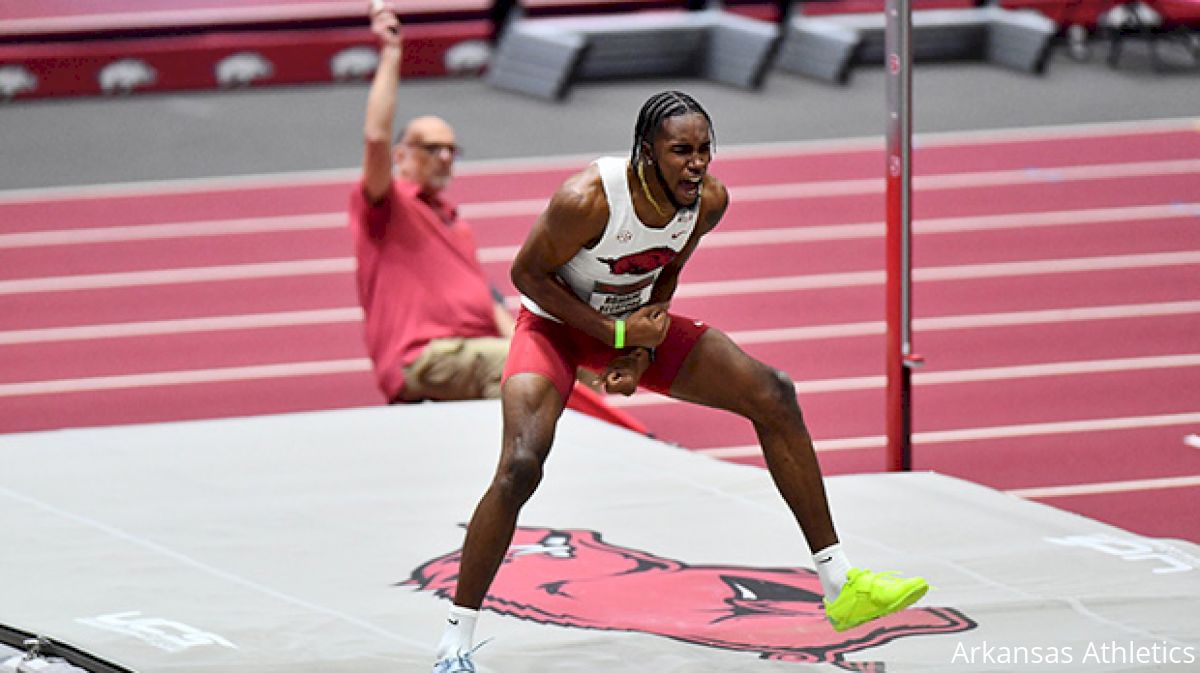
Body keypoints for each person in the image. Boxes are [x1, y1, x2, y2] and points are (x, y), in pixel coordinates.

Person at [428, 90, 930, 673]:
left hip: (633, 323)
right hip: (556, 327)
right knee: (520, 466)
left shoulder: (708, 202)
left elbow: (666, 270)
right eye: (681, 151)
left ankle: (841, 584)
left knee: (774, 394)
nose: (697, 164)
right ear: (646, 153)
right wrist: (614, 338)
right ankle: (455, 643)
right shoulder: (587, 199)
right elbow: (527, 276)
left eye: (705, 150)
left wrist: (640, 348)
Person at [351, 3, 514, 404]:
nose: (443, 157)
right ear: (401, 155)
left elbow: (490, 302)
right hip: (425, 357)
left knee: (556, 361)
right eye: (430, 148)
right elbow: (375, 135)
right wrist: (391, 54)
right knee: (513, 370)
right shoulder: (387, 207)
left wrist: (535, 349)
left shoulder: (455, 223)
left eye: (449, 149)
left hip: (476, 349)